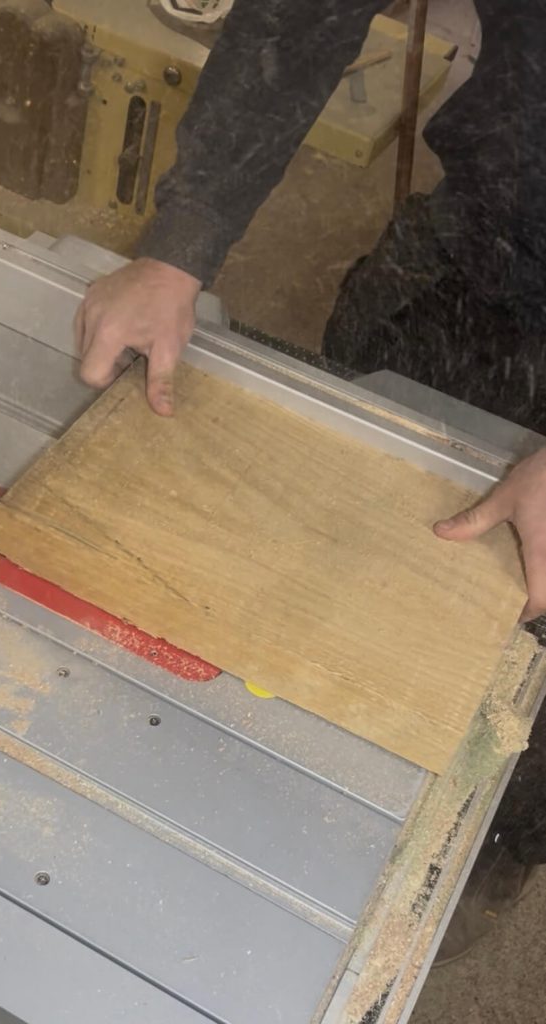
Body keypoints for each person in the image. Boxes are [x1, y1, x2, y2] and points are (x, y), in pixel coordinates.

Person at [74, 0, 546, 962]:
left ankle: (476, 860)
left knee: (512, 706)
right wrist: (182, 240)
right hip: (495, 221)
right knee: (358, 525)